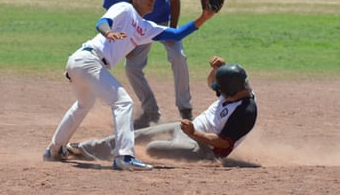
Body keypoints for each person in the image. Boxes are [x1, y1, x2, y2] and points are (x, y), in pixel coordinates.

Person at [42, 0, 217, 171]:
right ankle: (124, 156)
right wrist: (108, 33)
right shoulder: (124, 8)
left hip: (84, 64)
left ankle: (54, 149)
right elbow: (103, 22)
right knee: (123, 102)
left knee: (83, 105)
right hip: (88, 60)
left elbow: (175, 34)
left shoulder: (145, 27)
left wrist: (205, 17)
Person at [66, 56, 258, 162]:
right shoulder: (235, 90)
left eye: (220, 86)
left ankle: (125, 157)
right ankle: (88, 149)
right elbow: (211, 83)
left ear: (231, 88)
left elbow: (223, 143)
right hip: (188, 130)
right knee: (138, 134)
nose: (216, 88)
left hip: (202, 149)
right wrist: (217, 70)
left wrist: (194, 133)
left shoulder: (246, 112)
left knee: (153, 148)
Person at [103, 0, 193, 128]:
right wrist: (125, 44)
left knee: (178, 56)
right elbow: (112, 17)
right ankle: (151, 112)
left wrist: (172, 30)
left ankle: (185, 109)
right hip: (136, 28)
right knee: (132, 68)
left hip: (161, 22)